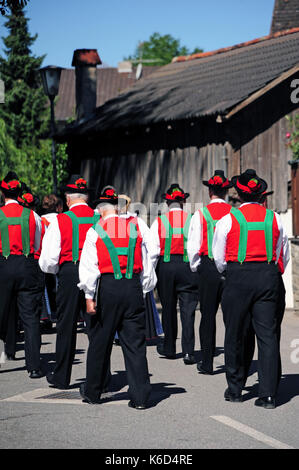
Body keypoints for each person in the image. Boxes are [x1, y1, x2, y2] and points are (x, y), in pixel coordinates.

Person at [212, 169, 289, 409]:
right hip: (267, 276)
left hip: (238, 276)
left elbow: (218, 258)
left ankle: (235, 389)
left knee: (235, 333)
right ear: (260, 195)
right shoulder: (275, 218)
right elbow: (282, 255)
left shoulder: (227, 219)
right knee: (267, 335)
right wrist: (269, 271)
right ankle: (268, 394)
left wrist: (232, 272)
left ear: (239, 194)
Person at [78, 187, 155, 408]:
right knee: (134, 344)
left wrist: (89, 297)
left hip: (108, 288)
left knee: (100, 342)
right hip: (132, 287)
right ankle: (140, 397)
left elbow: (89, 269)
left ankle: (93, 392)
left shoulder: (95, 231)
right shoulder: (135, 226)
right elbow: (148, 267)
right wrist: (141, 290)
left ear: (101, 210)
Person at [39, 175, 100, 389]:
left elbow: (48, 261)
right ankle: (101, 376)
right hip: (96, 273)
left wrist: (61, 271)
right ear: (87, 196)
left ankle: (61, 376)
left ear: (67, 198)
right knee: (96, 327)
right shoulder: (99, 217)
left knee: (66, 326)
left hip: (71, 272)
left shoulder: (61, 220)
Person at [187, 170, 232, 375]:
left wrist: (197, 267)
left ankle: (207, 362)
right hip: (231, 267)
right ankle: (233, 362)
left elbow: (193, 246)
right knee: (232, 317)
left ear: (210, 191)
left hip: (208, 266)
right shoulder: (235, 213)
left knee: (207, 315)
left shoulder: (200, 214)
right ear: (226, 192)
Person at [0, 172, 42, 378]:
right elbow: (37, 244)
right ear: (20, 193)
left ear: (2, 193)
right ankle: (33, 366)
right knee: (30, 318)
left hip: (4, 266)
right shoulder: (32, 215)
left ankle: (4, 355)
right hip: (27, 266)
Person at [150, 184, 199, 364]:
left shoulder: (159, 221)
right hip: (187, 266)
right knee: (188, 310)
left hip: (167, 266)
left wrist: (151, 273)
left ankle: (169, 348)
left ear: (167, 202)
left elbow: (153, 251)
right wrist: (195, 268)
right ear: (183, 201)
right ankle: (188, 352)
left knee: (168, 308)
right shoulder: (193, 219)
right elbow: (196, 246)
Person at [118, 194, 163, 340]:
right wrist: (147, 266)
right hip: (136, 272)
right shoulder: (138, 222)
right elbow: (154, 249)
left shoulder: (105, 223)